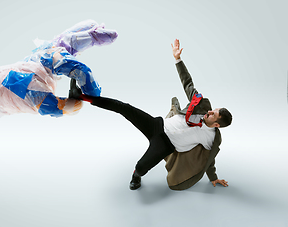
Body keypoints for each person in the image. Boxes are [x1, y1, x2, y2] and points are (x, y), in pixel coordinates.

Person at [69, 39, 232, 191]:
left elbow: (209, 159)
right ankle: (80, 96)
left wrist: (213, 178)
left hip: (166, 144)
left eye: (213, 115)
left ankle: (135, 177)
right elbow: (188, 83)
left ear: (217, 125)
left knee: (141, 166)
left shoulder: (211, 138)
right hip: (157, 124)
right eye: (213, 110)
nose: (209, 112)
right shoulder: (202, 105)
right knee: (123, 107)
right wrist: (177, 59)